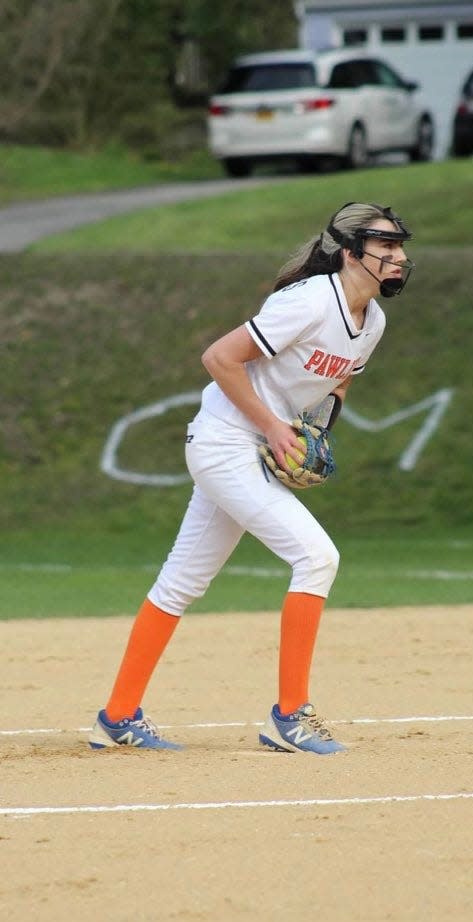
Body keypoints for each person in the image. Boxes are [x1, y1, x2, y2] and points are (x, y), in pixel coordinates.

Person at [88, 201, 414, 755]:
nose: (399, 257)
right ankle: (289, 718)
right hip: (223, 443)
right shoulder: (309, 302)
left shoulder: (372, 322)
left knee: (181, 583)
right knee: (317, 557)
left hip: (247, 448)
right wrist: (273, 426)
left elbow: (338, 382)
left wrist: (316, 429)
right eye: (385, 247)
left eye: (400, 246)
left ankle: (117, 716)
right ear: (351, 253)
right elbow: (219, 357)